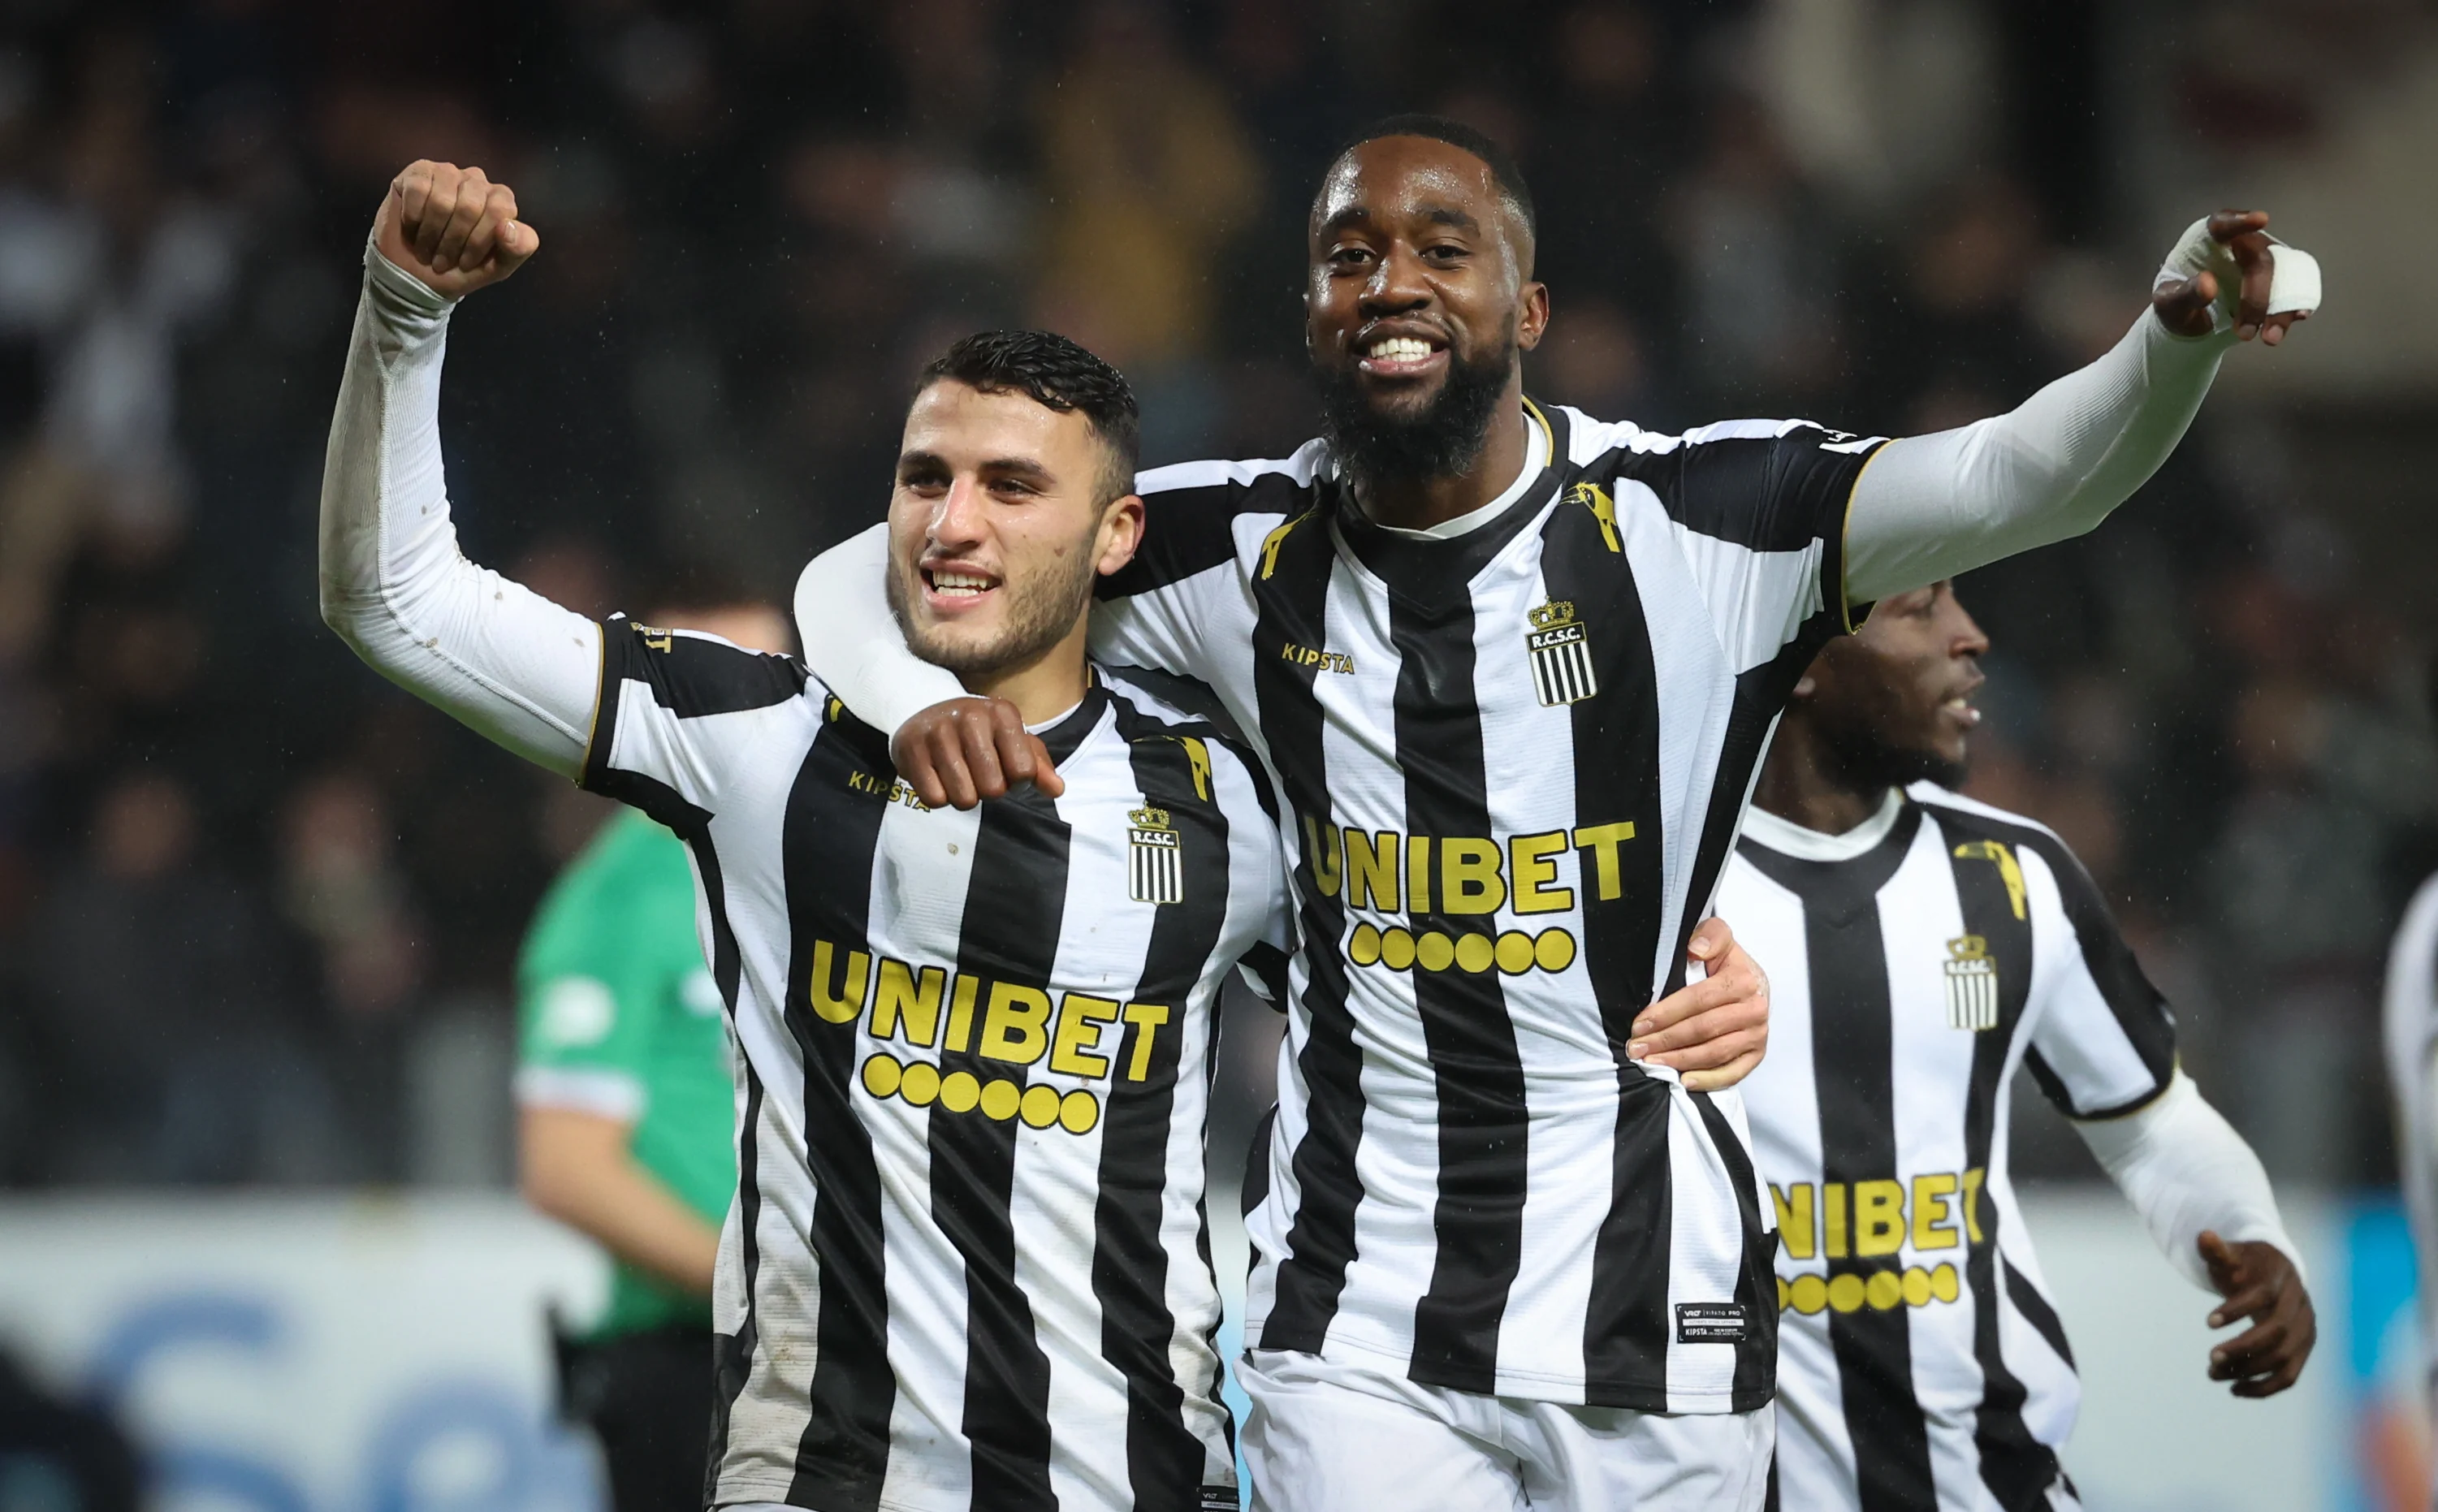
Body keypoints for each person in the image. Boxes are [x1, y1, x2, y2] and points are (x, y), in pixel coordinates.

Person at [792, 115, 2320, 1508]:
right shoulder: (1220, 546)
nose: (1389, 280)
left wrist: (2164, 349)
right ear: (1311, 316)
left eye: (1441, 250)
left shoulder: (1701, 519)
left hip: (1658, 1311)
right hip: (1359, 1316)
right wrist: (916, 700)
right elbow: (871, 569)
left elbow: (2019, 478)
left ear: (1525, 312)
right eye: (1348, 255)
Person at [318, 158, 1763, 1512]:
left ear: (1116, 537)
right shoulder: (754, 741)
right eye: (925, 477)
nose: (954, 522)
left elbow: (1446, 972)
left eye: (1013, 487)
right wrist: (403, 311)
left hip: (1138, 1475)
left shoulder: (1230, 813)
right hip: (824, 1471)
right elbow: (395, 601)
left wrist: (1704, 968)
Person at [1718, 577, 2313, 1509]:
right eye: (1920, 609)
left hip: (1992, 1482)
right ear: (1797, 657)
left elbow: (2148, 1122)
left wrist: (2251, 1238)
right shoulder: (1653, 889)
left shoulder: (2012, 875)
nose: (1971, 636)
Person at [516, 589, 790, 1512]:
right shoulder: (620, 893)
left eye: (776, 677)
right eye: (727, 678)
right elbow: (566, 1166)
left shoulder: (807, 861)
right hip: (690, 1360)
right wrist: (761, 1285)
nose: (762, 707)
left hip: (814, 1347)